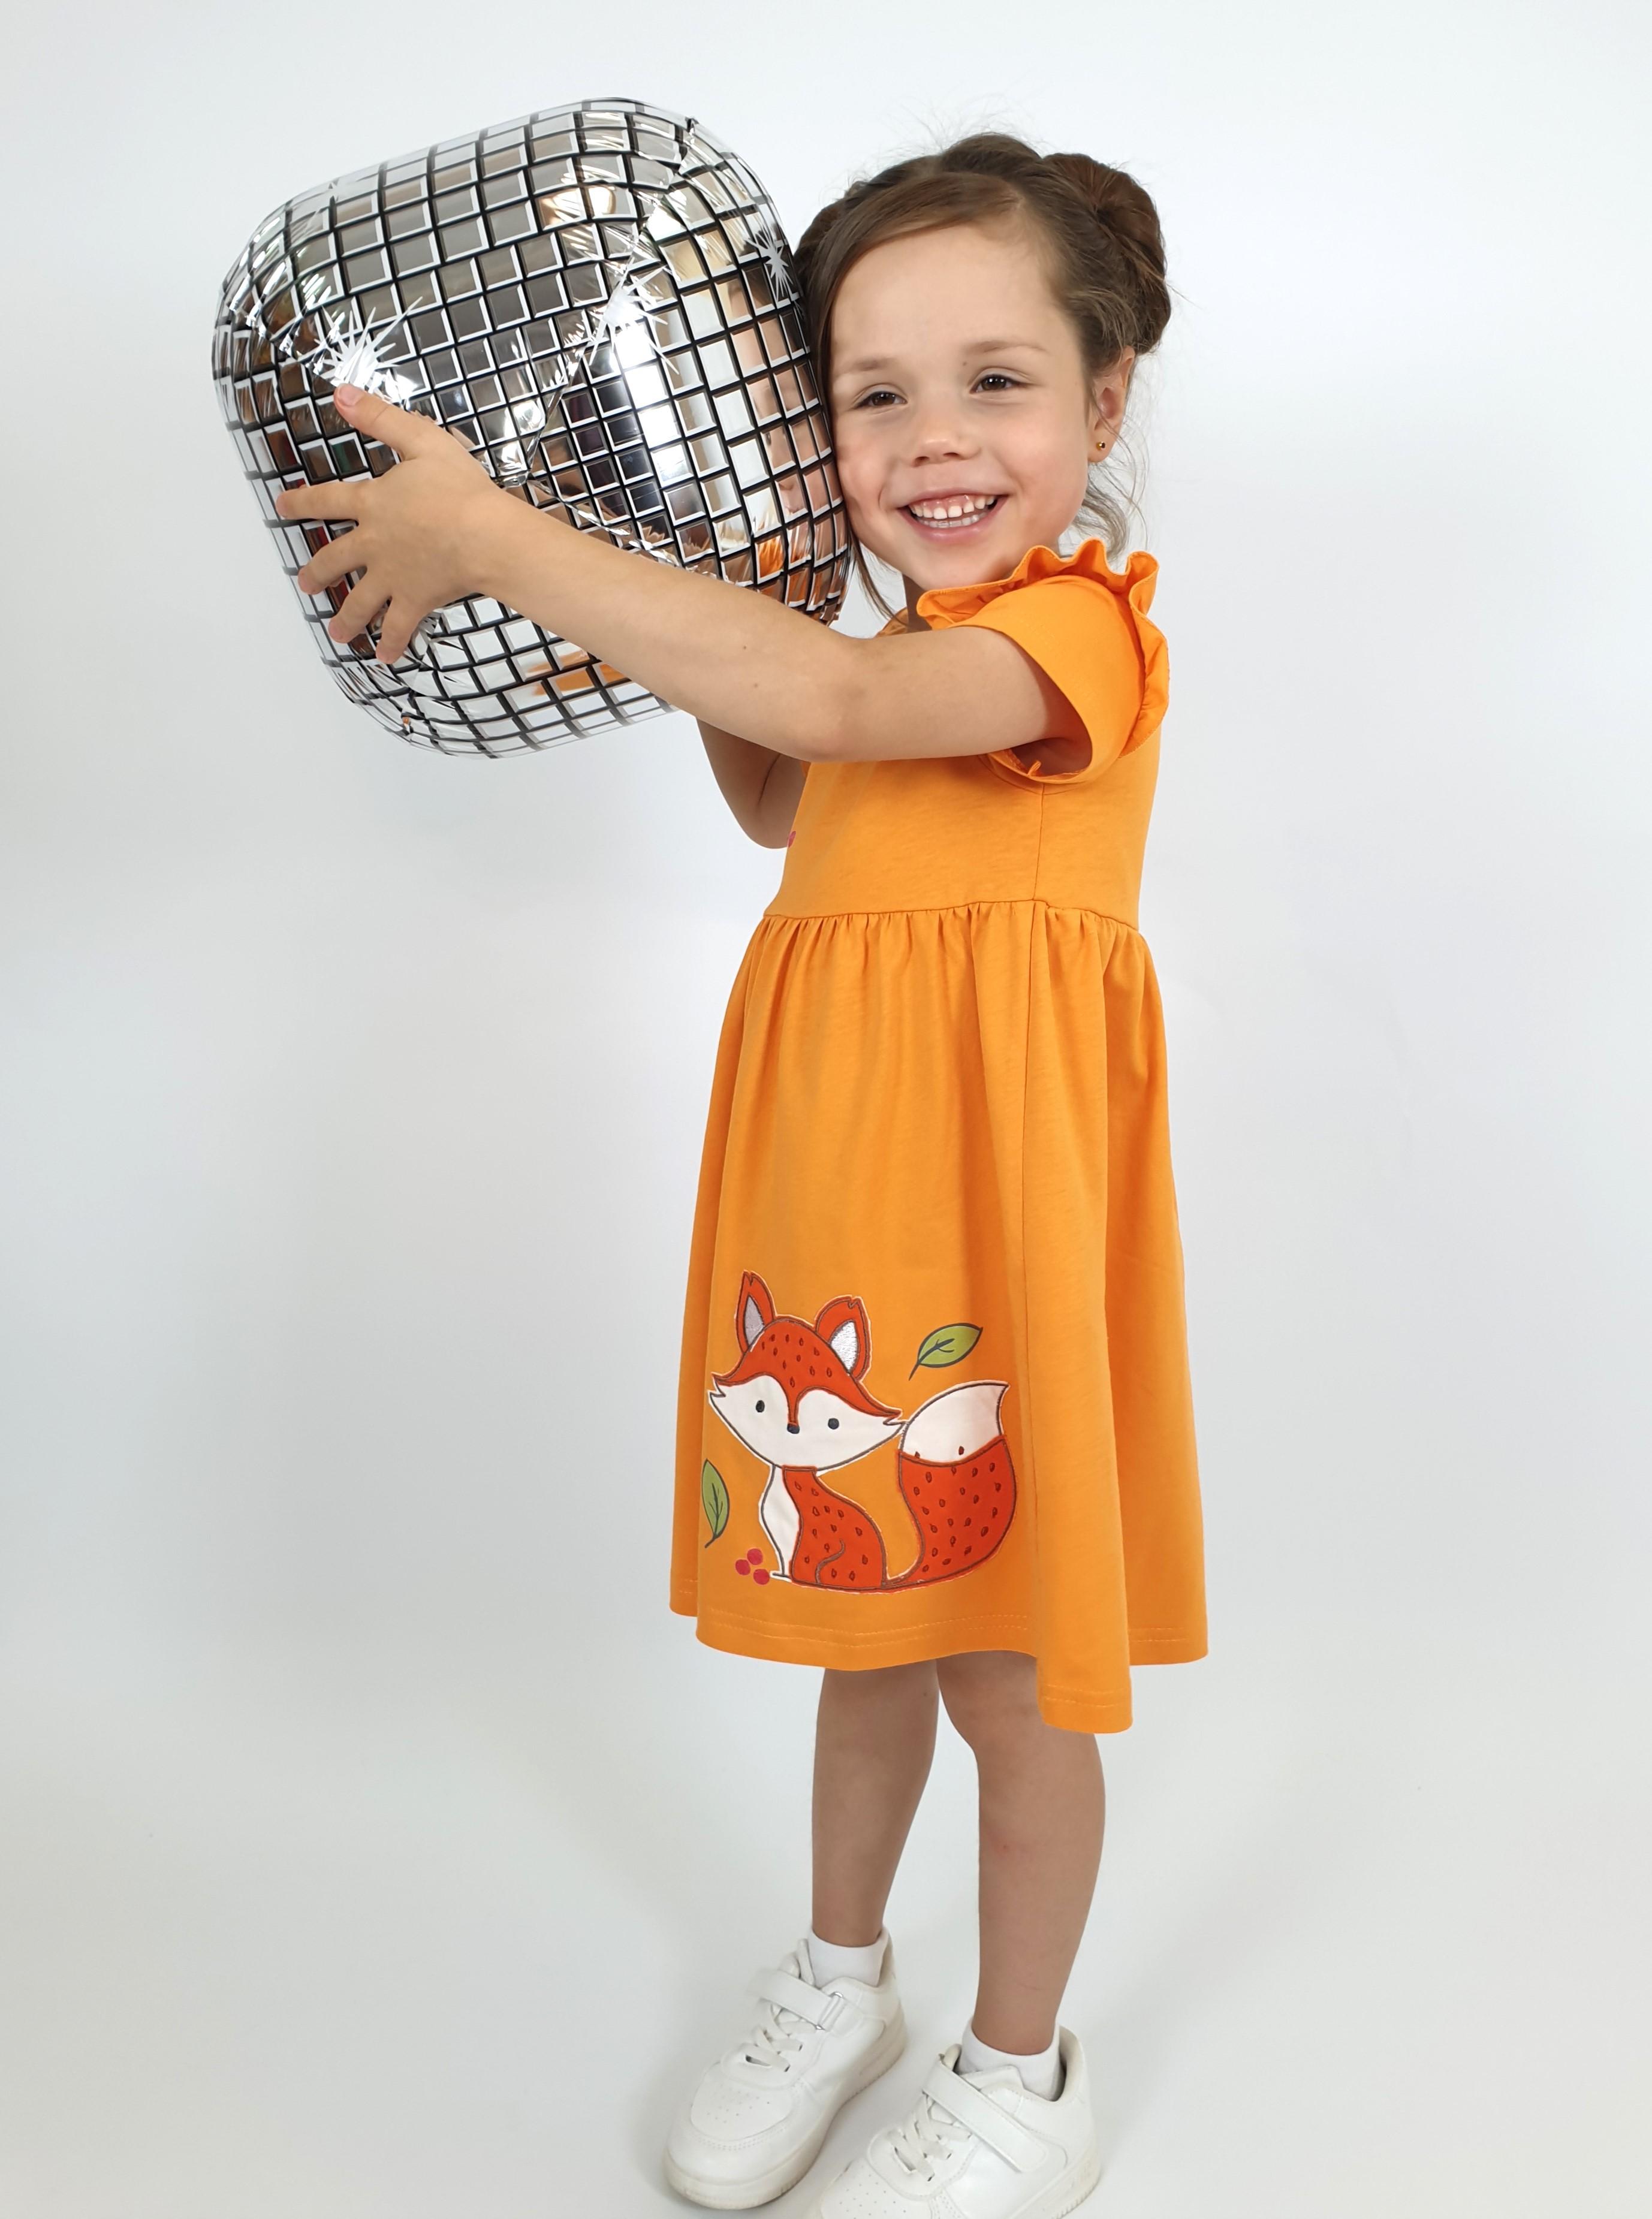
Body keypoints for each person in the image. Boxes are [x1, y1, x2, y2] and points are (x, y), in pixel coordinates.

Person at [275, 127, 1206, 2219]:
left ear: (1101, 405)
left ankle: (1021, 2070)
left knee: (1002, 1671)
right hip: (846, 1214)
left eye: (993, 382)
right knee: (857, 1627)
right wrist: (644, 540)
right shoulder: (869, 660)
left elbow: (833, 697)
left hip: (991, 1231)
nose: (932, 438)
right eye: (871, 394)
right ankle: (838, 1980)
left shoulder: (1074, 637)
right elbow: (778, 772)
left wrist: (499, 530)